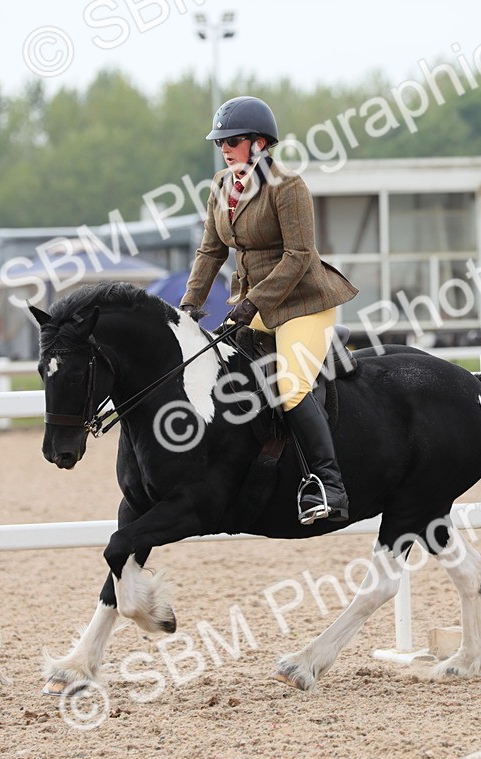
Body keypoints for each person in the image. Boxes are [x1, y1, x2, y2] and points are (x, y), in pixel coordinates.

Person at [179, 96, 358, 525]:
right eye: (221, 141)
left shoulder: (288, 187)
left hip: (303, 303)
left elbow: (298, 256)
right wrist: (189, 306)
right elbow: (210, 252)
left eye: (233, 140)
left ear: (259, 143)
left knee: (291, 387)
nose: (224, 148)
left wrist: (252, 303)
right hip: (253, 304)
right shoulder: (221, 186)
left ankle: (329, 486)